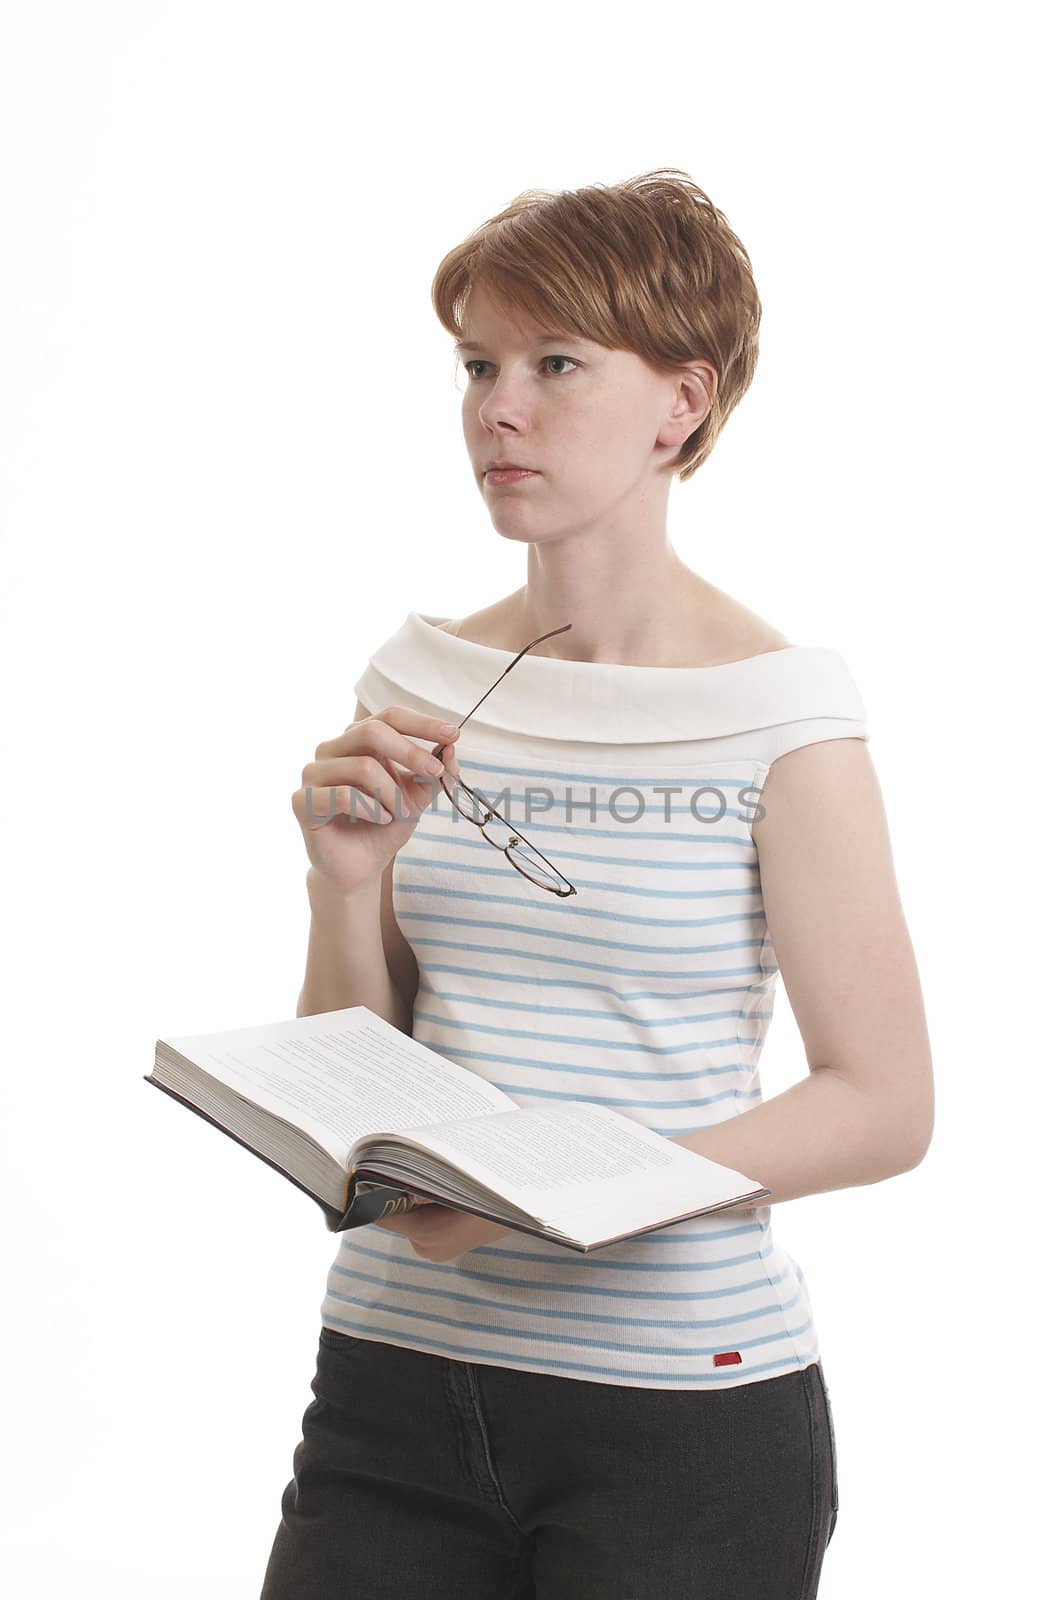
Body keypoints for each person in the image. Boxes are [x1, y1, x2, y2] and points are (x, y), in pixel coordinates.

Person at [260, 168, 934, 1599]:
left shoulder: (783, 714)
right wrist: (343, 883)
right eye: (478, 365)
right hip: (394, 1376)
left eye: (556, 363)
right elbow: (355, 1069)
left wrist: (582, 1197)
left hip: (679, 1415)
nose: (498, 407)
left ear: (680, 405)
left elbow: (883, 1102)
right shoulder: (416, 679)